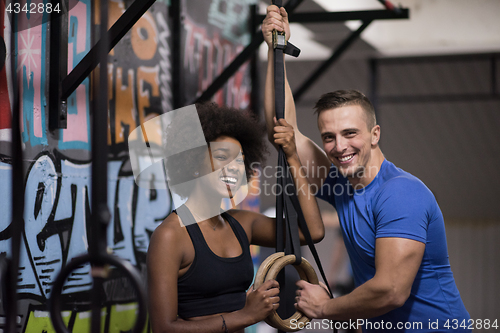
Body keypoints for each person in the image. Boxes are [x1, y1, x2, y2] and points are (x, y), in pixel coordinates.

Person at [262, 5, 470, 332]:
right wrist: (276, 50)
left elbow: (390, 291)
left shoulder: (401, 193)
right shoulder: (341, 184)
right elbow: (283, 128)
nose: (339, 146)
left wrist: (326, 307)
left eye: (350, 133)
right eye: (328, 137)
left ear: (375, 134)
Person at [147, 102, 325, 333]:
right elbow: (164, 328)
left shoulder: (242, 223)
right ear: (192, 164)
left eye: (240, 160)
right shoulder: (171, 236)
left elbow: (312, 232)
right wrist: (246, 315)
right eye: (222, 157)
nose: (233, 168)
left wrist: (292, 157)